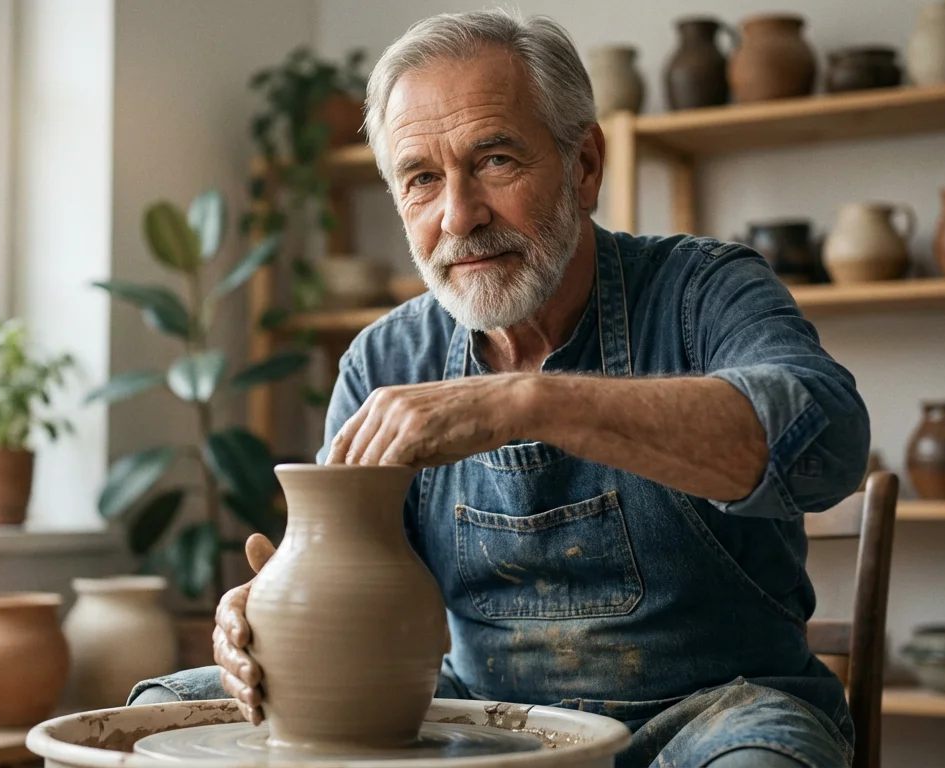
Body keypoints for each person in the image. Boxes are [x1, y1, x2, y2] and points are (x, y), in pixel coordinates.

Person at [129, 9, 869, 768]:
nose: (459, 216)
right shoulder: (387, 357)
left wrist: (527, 403)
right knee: (160, 718)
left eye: (495, 162)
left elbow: (828, 444)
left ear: (584, 165)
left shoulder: (702, 290)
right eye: (421, 179)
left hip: (709, 719)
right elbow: (337, 577)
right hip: (480, 725)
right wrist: (261, 618)